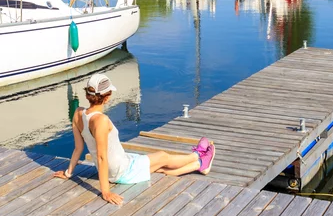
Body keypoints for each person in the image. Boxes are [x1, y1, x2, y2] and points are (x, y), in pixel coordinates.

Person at [53, 73, 215, 205]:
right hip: (120, 169)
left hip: (116, 166)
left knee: (159, 168)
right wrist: (106, 191)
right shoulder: (101, 121)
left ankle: (199, 165)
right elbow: (102, 157)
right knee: (162, 156)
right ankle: (199, 156)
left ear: (87, 95)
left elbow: (78, 148)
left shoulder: (78, 113)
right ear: (107, 97)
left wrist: (68, 173)